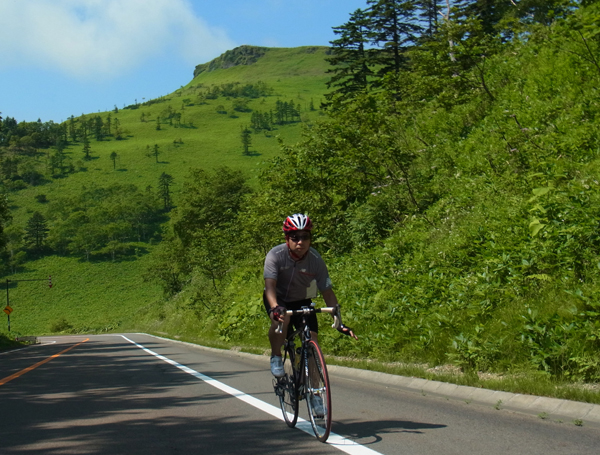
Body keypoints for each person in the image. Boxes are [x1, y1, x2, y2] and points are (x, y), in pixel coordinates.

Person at [263, 213, 357, 381]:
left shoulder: (315, 259)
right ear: (287, 239)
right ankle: (276, 355)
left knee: (313, 341)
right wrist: (275, 307)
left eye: (305, 237)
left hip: (302, 300)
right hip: (278, 298)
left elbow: (327, 292)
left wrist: (339, 320)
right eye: (295, 237)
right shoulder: (275, 255)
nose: (300, 242)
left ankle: (315, 394)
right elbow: (270, 286)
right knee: (281, 320)